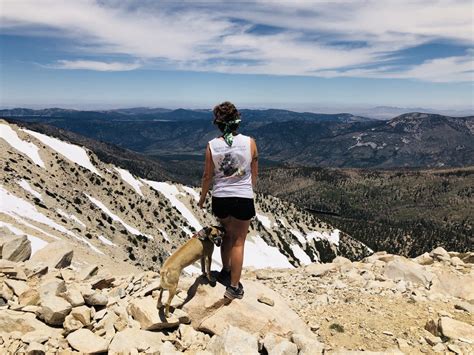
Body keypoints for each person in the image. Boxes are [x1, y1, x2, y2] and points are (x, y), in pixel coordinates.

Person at [198, 101, 258, 300]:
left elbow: (207, 176)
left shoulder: (212, 146)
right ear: (237, 121)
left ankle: (225, 270)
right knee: (239, 242)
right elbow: (254, 171)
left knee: (227, 236)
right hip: (242, 196)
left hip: (221, 197)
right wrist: (250, 189)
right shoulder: (250, 142)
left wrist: (203, 197)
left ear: (218, 123)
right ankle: (234, 286)